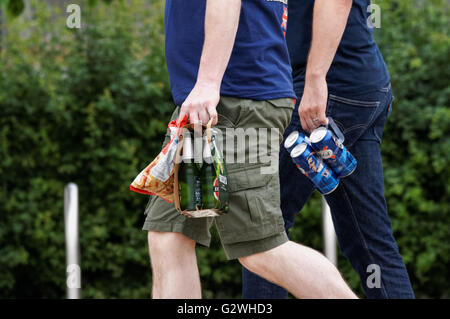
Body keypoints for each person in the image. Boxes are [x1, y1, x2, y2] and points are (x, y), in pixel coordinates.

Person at [142, 0, 357, 299]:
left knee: (262, 249)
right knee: (169, 235)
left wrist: (207, 82)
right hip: (210, 103)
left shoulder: (220, 89)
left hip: (234, 99)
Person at [242, 0, 415, 299]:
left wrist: (315, 80)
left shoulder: (319, 81)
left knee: (261, 224)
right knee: (369, 242)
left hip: (329, 89)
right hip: (357, 84)